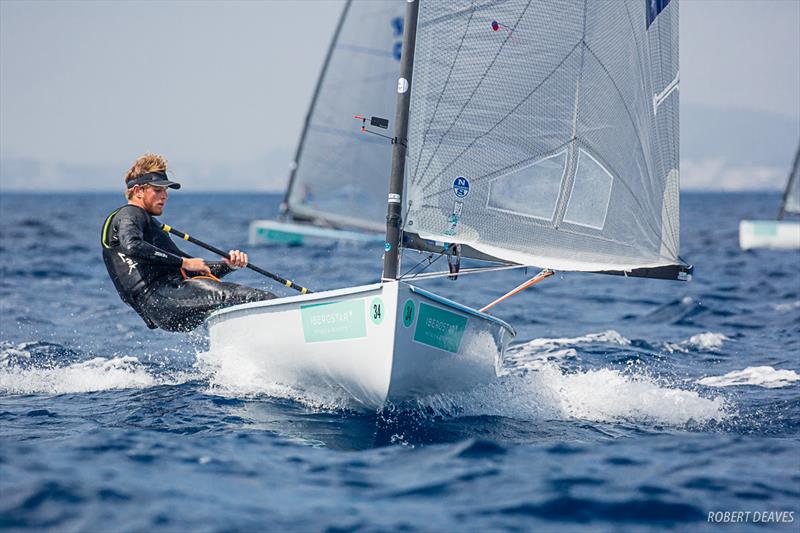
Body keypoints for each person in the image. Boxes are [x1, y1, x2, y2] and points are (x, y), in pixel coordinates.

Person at [101, 154, 275, 332]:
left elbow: (194, 269)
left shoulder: (147, 225)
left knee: (233, 304)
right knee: (259, 297)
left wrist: (228, 266)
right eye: (158, 190)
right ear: (138, 191)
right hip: (162, 297)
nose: (165, 196)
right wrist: (184, 262)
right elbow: (132, 246)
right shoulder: (130, 213)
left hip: (167, 303)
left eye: (166, 191)